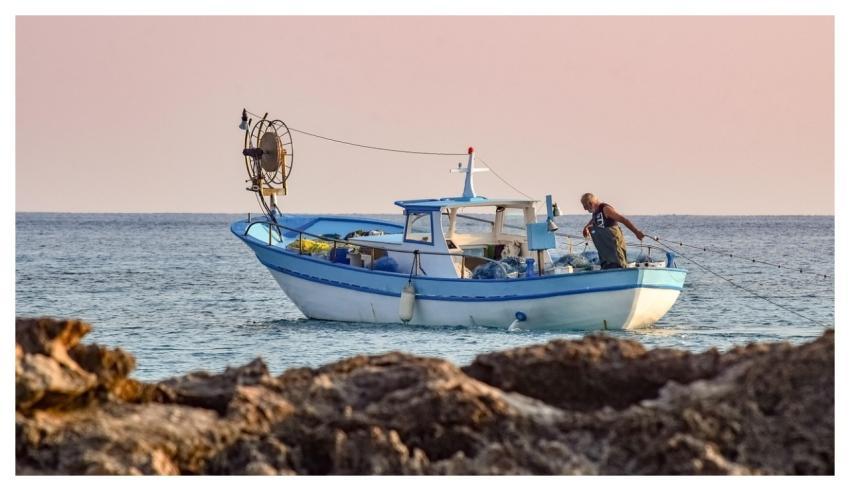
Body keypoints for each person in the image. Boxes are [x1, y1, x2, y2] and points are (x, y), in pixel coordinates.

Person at [580, 193, 645, 269]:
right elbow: (594, 219)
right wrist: (586, 227)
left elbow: (623, 220)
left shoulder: (606, 209)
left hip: (614, 243)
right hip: (605, 247)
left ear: (590, 203)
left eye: (585, 206)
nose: (585, 209)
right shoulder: (595, 212)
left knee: (619, 262)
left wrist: (636, 232)